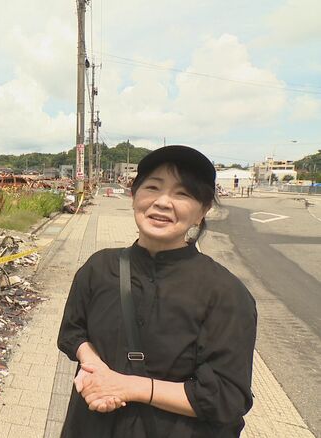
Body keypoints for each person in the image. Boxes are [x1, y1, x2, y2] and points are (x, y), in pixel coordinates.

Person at [56, 145, 257, 437]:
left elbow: (226, 396)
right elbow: (72, 331)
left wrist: (129, 386)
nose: (163, 202)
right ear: (134, 196)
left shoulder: (226, 294)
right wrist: (93, 366)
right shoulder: (99, 267)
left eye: (183, 194)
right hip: (91, 426)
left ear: (203, 211)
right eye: (152, 187)